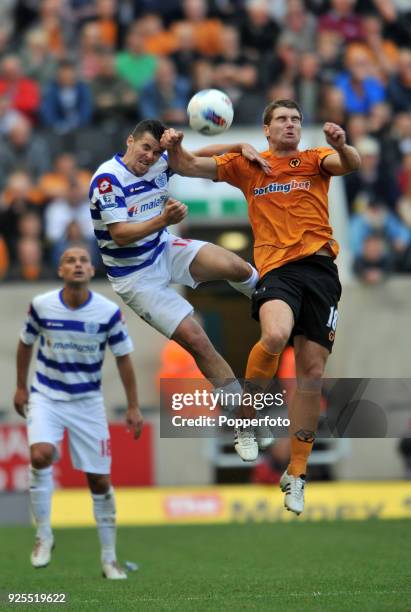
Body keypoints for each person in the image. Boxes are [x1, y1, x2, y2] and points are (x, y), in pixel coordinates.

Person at [160, 98, 361, 515]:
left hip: (322, 272)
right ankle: (245, 418)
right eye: (282, 120)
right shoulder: (248, 165)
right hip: (277, 272)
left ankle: (297, 474)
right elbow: (185, 165)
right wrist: (218, 144)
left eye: (296, 120)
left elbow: (351, 165)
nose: (290, 125)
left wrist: (342, 145)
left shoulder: (315, 159)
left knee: (312, 374)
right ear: (266, 131)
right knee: (273, 334)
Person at [89, 119, 269, 461]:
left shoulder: (161, 161)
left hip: (162, 248)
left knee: (237, 266)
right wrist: (162, 220)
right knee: (199, 341)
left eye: (156, 151)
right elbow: (120, 235)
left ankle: (271, 308)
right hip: (135, 277)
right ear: (130, 140)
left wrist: (238, 148)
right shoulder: (107, 179)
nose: (150, 156)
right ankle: (243, 423)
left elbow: (197, 156)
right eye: (145, 148)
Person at [13, 246, 143, 579]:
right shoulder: (42, 306)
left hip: (87, 402)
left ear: (92, 269)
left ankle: (109, 559)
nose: (78, 265)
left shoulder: (107, 312)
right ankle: (43, 536)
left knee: (98, 480)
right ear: (60, 271)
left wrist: (132, 405)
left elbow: (124, 357)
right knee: (40, 454)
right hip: (47, 396)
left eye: (84, 260)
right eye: (70, 260)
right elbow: (26, 343)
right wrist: (20, 386)